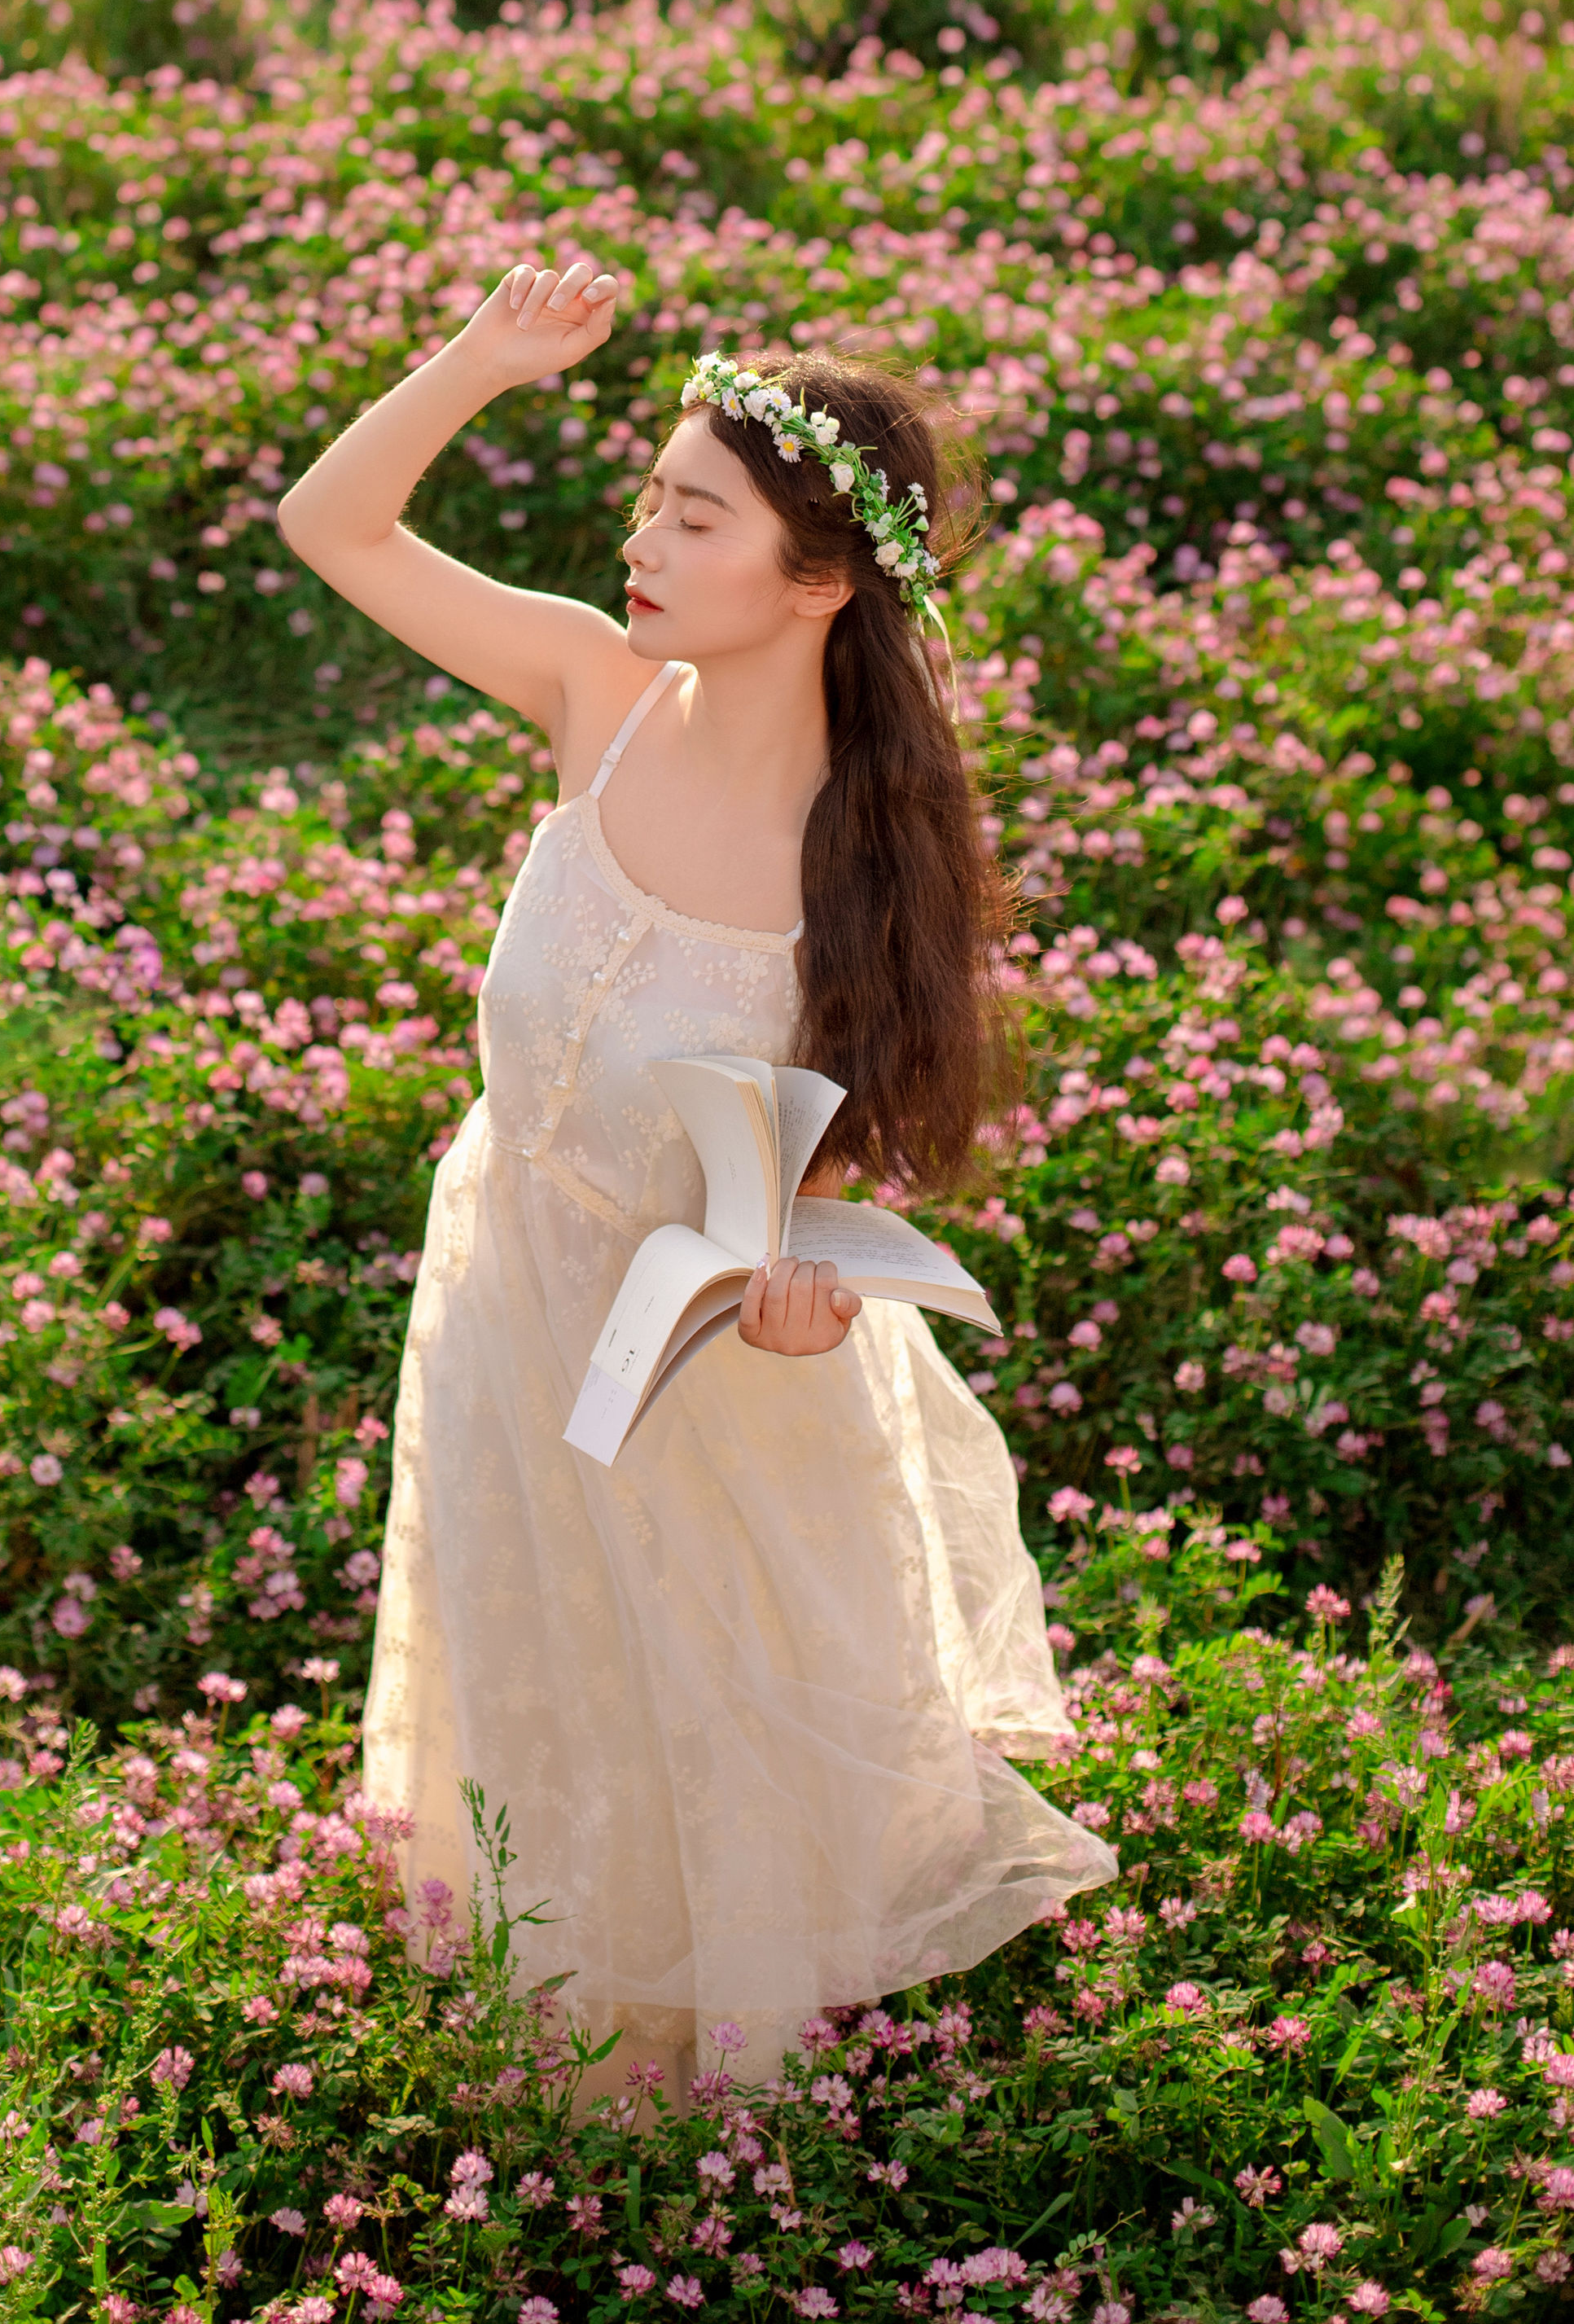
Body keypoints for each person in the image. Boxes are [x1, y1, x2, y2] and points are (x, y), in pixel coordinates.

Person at [278, 257, 1115, 2096]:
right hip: (512, 1278)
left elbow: (821, 1181)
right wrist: (482, 361)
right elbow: (329, 519)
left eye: (693, 515)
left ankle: (695, 2109)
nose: (641, 540)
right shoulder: (599, 688)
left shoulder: (858, 871)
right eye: (651, 496)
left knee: (704, 1711)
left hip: (710, 1363)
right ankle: (550, 1997)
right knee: (534, 1658)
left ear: (818, 583)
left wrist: (807, 1309)